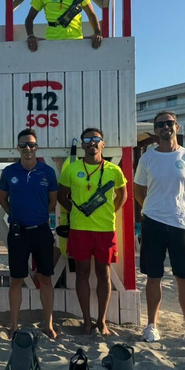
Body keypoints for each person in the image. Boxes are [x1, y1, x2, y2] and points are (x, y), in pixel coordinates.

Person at [133, 111, 185, 348]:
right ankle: (152, 325)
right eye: (160, 124)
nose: (165, 127)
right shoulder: (147, 158)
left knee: (184, 278)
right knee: (153, 276)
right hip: (153, 222)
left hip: (181, 225)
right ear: (155, 130)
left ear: (177, 126)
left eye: (169, 123)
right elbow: (138, 191)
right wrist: (151, 210)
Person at [57, 127, 127, 335]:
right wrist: (76, 213)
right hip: (79, 230)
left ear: (102, 144)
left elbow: (122, 196)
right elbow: (62, 197)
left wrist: (109, 212)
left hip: (105, 229)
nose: (92, 143)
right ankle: (86, 320)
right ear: (82, 144)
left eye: (96, 139)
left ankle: (102, 321)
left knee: (103, 274)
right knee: (82, 273)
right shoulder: (71, 169)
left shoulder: (114, 170)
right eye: (87, 139)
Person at [0, 128, 59, 339]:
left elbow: (53, 201)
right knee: (16, 279)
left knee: (46, 278)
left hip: (41, 231)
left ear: (37, 147)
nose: (27, 149)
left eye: (31, 145)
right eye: (23, 145)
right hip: (18, 233)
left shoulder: (47, 172)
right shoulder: (9, 172)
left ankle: (49, 325)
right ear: (18, 148)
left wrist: (40, 215)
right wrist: (14, 216)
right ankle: (13, 325)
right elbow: (2, 199)